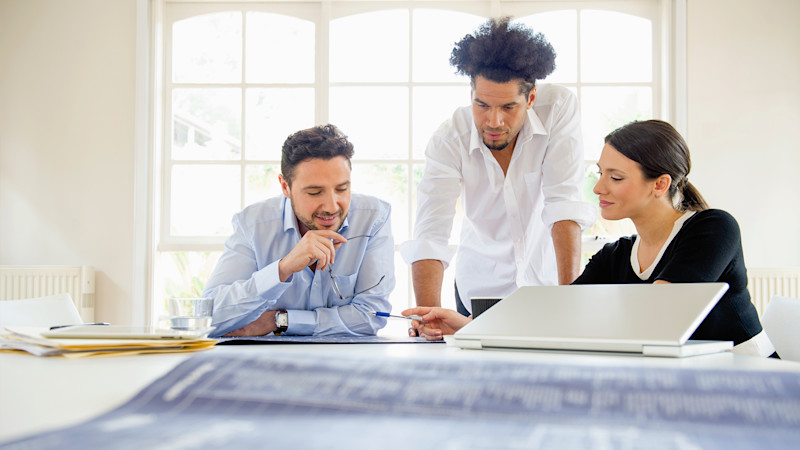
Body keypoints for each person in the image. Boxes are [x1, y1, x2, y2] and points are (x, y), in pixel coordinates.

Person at [404, 120, 774, 357]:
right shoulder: (617, 255)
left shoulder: (712, 228)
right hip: (681, 375)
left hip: (750, 375)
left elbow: (657, 319)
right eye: (600, 173)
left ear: (659, 184)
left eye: (615, 177)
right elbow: (560, 317)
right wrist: (466, 324)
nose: (598, 187)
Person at [399, 17, 596, 318]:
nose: (493, 121)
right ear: (471, 95)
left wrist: (570, 298)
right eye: (482, 105)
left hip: (546, 287)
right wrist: (428, 318)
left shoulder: (557, 108)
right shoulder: (449, 139)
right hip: (479, 289)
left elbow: (564, 204)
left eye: (508, 107)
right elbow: (430, 233)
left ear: (530, 98)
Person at [202, 124, 395, 337]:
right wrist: (283, 269)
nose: (331, 206)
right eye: (314, 192)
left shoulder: (374, 219)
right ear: (285, 187)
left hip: (349, 362)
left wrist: (282, 321)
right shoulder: (252, 224)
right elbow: (208, 317)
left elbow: (372, 316)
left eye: (342, 189)